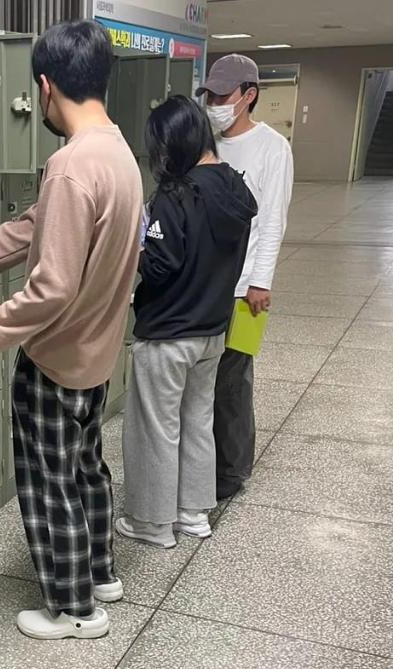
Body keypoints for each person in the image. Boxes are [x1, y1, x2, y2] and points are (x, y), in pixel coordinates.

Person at [0, 20, 142, 642]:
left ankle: (75, 609)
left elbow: (51, 287)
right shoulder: (117, 154)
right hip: (96, 356)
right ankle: (99, 574)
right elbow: (32, 230)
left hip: (56, 361)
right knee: (86, 470)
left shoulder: (69, 166)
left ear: (46, 85)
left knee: (50, 484)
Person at [115, 96, 257, 549]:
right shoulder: (235, 188)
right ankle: (193, 514)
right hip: (212, 331)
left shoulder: (175, 195)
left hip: (168, 334)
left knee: (154, 429)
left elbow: (159, 267)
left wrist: (136, 243)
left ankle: (152, 523)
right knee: (197, 420)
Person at [196, 54, 294, 499]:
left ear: (249, 95)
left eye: (223, 96)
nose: (215, 104)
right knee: (203, 379)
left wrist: (261, 282)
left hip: (244, 290)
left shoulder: (273, 148)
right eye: (211, 96)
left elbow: (273, 220)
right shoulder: (207, 143)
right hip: (205, 283)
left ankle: (231, 471)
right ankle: (202, 462)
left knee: (232, 383)